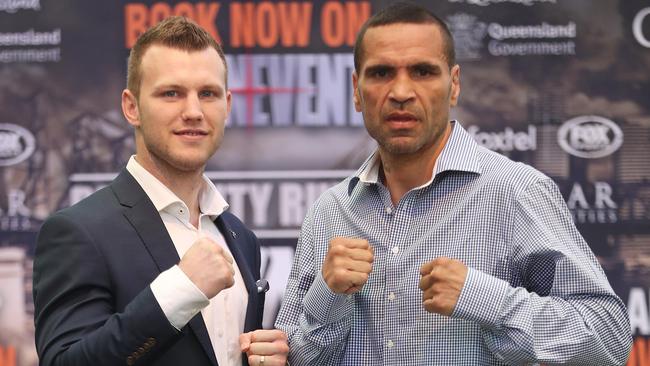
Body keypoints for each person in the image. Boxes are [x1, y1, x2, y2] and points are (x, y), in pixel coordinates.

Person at [275, 3, 632, 365]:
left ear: (454, 85)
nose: (400, 91)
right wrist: (328, 295)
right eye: (381, 73)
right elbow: (289, 358)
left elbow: (608, 339)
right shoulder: (329, 212)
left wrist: (483, 298)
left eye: (422, 72)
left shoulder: (515, 193)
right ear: (356, 89)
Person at [33, 17, 288, 366]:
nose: (194, 111)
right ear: (131, 107)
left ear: (227, 104)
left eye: (208, 94)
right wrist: (181, 289)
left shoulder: (240, 237)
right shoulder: (79, 232)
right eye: (172, 93)